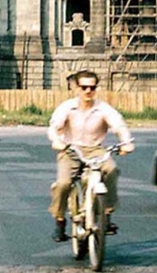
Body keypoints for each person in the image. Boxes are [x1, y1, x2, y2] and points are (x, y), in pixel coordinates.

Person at [47, 70, 134, 242]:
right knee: (63, 184)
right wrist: (57, 141)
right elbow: (54, 127)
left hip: (95, 150)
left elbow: (119, 126)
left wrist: (126, 142)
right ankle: (59, 221)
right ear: (77, 88)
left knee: (111, 169)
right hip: (71, 150)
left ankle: (106, 213)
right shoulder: (68, 107)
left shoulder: (102, 109)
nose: (88, 91)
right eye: (84, 87)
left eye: (92, 87)